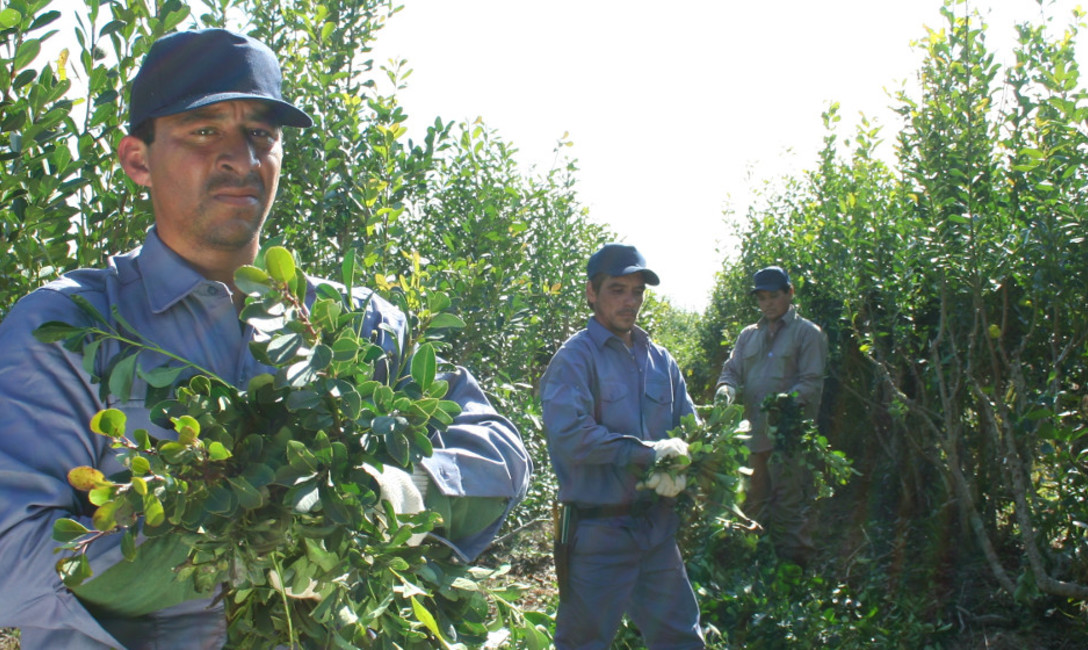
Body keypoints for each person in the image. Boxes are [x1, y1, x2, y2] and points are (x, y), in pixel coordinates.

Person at [0, 28, 531, 648]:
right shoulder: (68, 327)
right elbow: (13, 556)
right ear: (138, 160)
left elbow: (500, 452)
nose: (241, 158)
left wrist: (398, 489)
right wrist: (236, 542)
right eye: (205, 131)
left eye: (261, 135)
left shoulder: (356, 323)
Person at [540, 243, 705, 649]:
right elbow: (572, 437)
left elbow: (692, 427)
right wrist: (648, 455)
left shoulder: (661, 361)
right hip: (600, 535)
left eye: (637, 292)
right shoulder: (575, 359)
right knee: (583, 643)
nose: (630, 301)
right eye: (618, 290)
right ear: (591, 293)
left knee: (681, 638)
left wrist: (696, 454)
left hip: (657, 531)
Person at [714, 265, 828, 568]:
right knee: (753, 503)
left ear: (789, 293)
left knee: (789, 506)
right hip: (753, 438)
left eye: (774, 296)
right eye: (762, 298)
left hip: (788, 439)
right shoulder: (748, 336)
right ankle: (758, 571)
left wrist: (787, 402)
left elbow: (812, 381)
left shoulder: (808, 333)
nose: (768, 303)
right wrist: (726, 388)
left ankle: (795, 572)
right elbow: (732, 370)